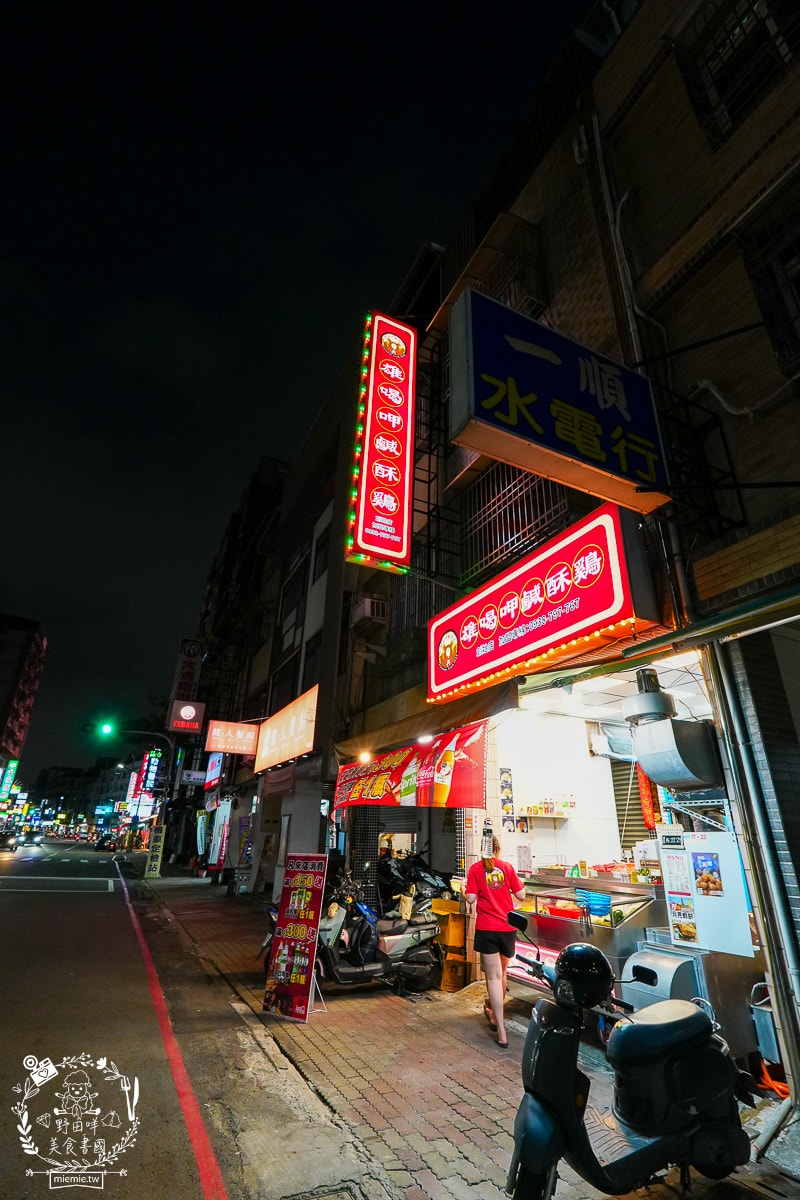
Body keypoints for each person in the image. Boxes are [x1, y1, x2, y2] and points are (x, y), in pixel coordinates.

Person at [464, 835, 526, 1048]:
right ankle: (494, 1012)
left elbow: (471, 898)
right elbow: (521, 895)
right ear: (498, 849)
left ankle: (501, 1032)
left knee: (493, 977)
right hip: (507, 928)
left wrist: (465, 891)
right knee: (502, 974)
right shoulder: (507, 867)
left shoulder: (475, 869)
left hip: (486, 929)